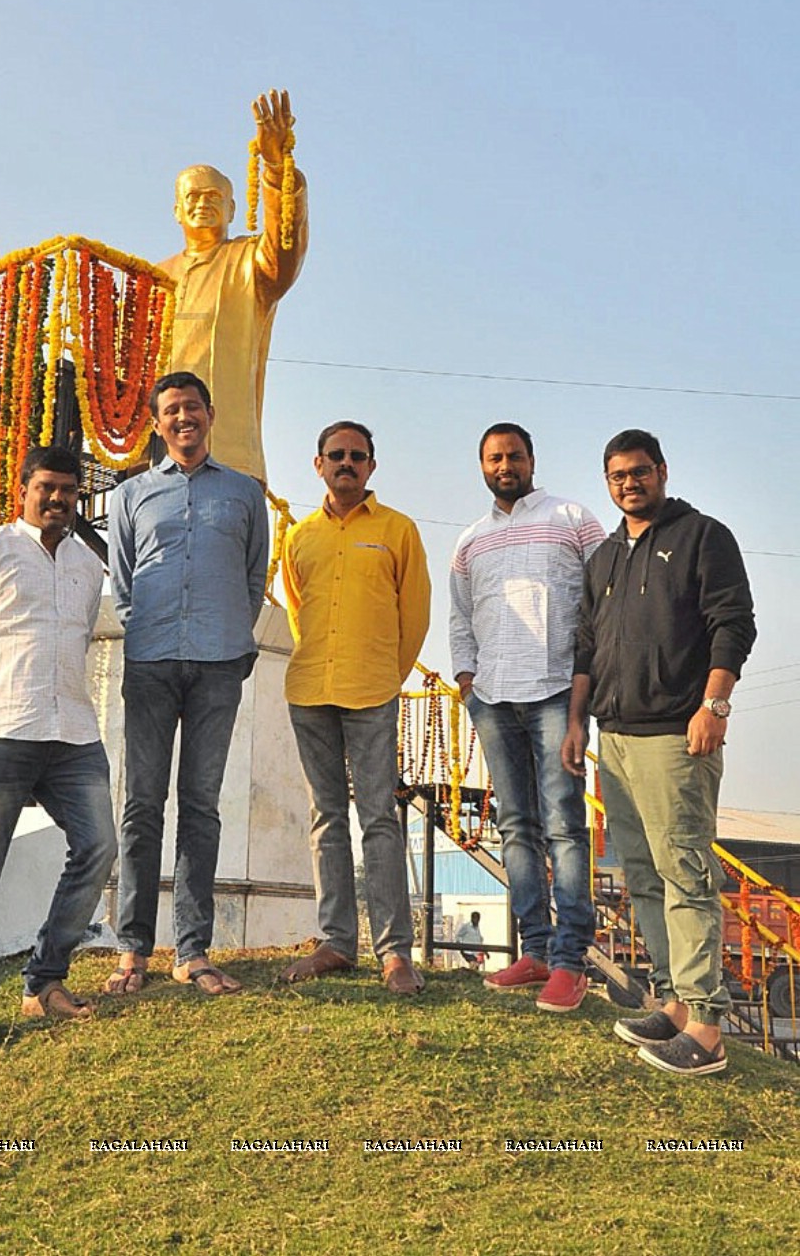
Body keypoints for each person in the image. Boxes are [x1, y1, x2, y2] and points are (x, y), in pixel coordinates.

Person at [563, 429, 756, 1076]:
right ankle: (673, 1001)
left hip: (678, 734)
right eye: (616, 475)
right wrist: (576, 725)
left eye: (639, 471)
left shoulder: (702, 536)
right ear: (607, 481)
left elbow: (733, 621)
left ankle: (705, 1028)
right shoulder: (605, 558)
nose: (628, 483)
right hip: (613, 739)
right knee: (642, 875)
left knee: (686, 874)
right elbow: (586, 647)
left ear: (661, 471)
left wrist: (714, 705)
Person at [0, 445, 118, 1059]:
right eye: (47, 488)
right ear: (24, 489)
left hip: (72, 733)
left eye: (68, 490)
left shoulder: (90, 568)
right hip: (1, 731)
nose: (59, 499)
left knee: (98, 846)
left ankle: (44, 981)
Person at [107, 371, 268, 996]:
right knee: (142, 807)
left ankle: (193, 951)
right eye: (171, 410)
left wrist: (227, 634)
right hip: (150, 663)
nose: (183, 419)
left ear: (210, 414)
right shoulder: (132, 496)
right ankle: (133, 950)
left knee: (200, 807)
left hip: (219, 662)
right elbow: (123, 584)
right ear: (156, 422)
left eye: (192, 408)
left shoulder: (244, 494)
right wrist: (148, 631)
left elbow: (254, 578)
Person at [449, 423, 606, 1013]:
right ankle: (534, 950)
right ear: (482, 466)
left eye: (514, 455)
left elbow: (602, 602)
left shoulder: (573, 518)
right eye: (494, 457)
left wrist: (584, 691)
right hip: (494, 697)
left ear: (532, 459)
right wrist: (467, 681)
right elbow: (460, 620)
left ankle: (570, 961)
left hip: (555, 693)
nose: (505, 465)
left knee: (564, 825)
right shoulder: (470, 541)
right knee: (516, 827)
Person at [278, 421, 431, 995]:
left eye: (357, 456)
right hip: (310, 690)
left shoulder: (398, 530)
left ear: (372, 466)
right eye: (336, 455)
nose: (347, 463)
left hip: (372, 691)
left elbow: (413, 616)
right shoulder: (299, 536)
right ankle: (337, 942)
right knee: (325, 819)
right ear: (318, 464)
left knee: (379, 820)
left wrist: (385, 676)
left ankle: (395, 952)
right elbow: (297, 611)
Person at [156, 89, 308, 483]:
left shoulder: (249, 260)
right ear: (176, 210)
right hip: (156, 460)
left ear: (232, 210)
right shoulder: (153, 278)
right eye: (192, 196)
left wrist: (275, 166)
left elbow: (285, 246)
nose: (202, 203)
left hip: (230, 458)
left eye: (214, 196)